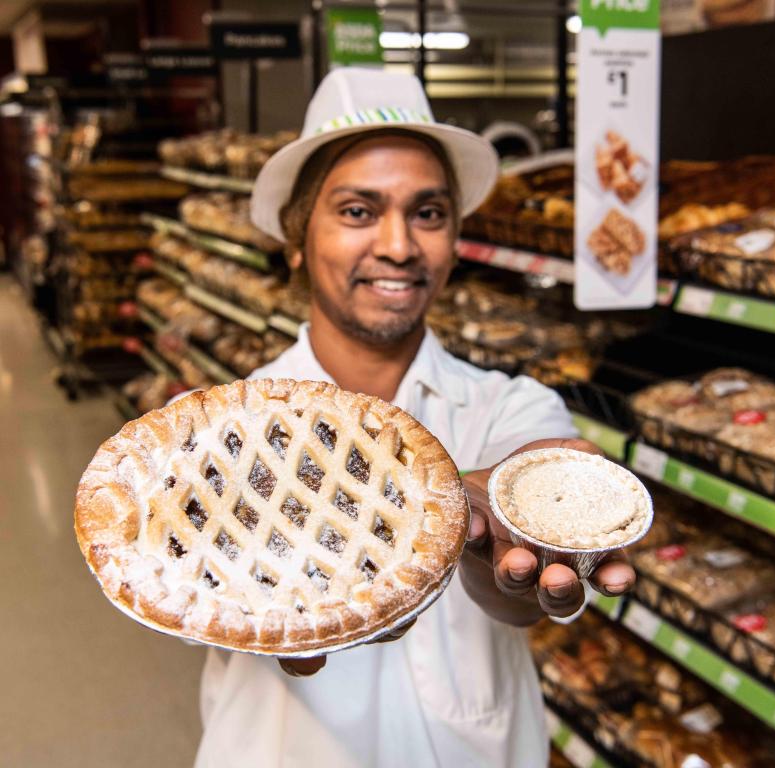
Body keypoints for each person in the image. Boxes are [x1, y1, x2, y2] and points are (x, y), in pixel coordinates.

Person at [192, 67, 636, 768]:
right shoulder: (226, 433)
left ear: (455, 238)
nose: (399, 245)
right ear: (296, 238)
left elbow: (527, 548)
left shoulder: (507, 407)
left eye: (427, 213)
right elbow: (181, 585)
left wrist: (515, 545)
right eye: (358, 211)